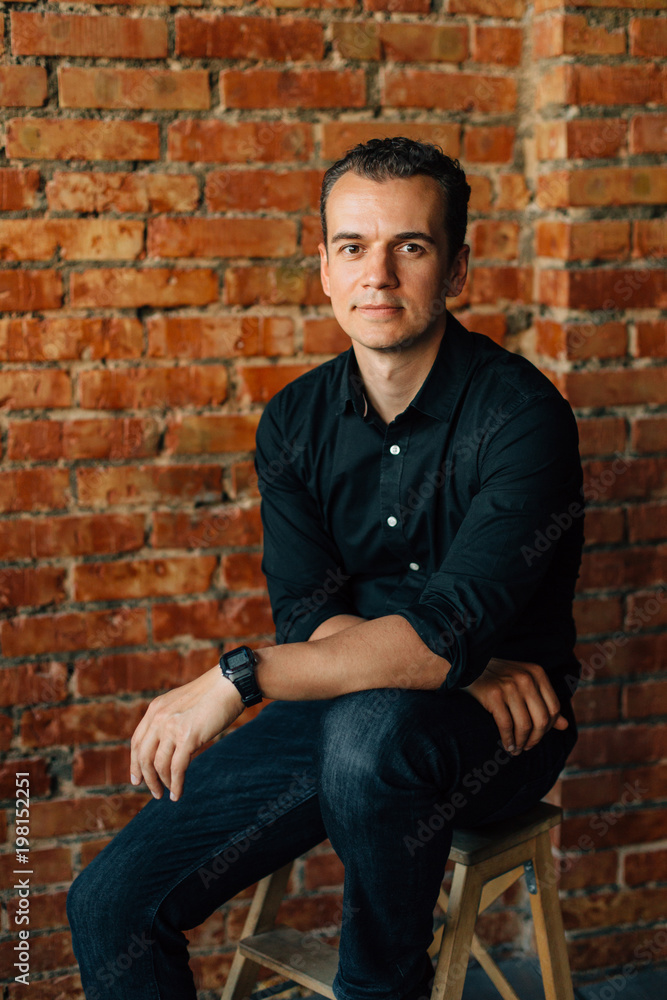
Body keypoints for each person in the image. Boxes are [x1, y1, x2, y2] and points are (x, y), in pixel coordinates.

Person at [67, 137, 584, 1000]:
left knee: (368, 735)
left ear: (455, 269)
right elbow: (312, 614)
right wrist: (448, 664)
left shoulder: (523, 416)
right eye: (353, 247)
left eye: (409, 248)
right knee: (108, 903)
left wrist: (241, 675)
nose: (376, 275)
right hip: (377, 702)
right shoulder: (296, 421)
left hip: (504, 734)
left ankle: (383, 987)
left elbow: (441, 633)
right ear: (324, 269)